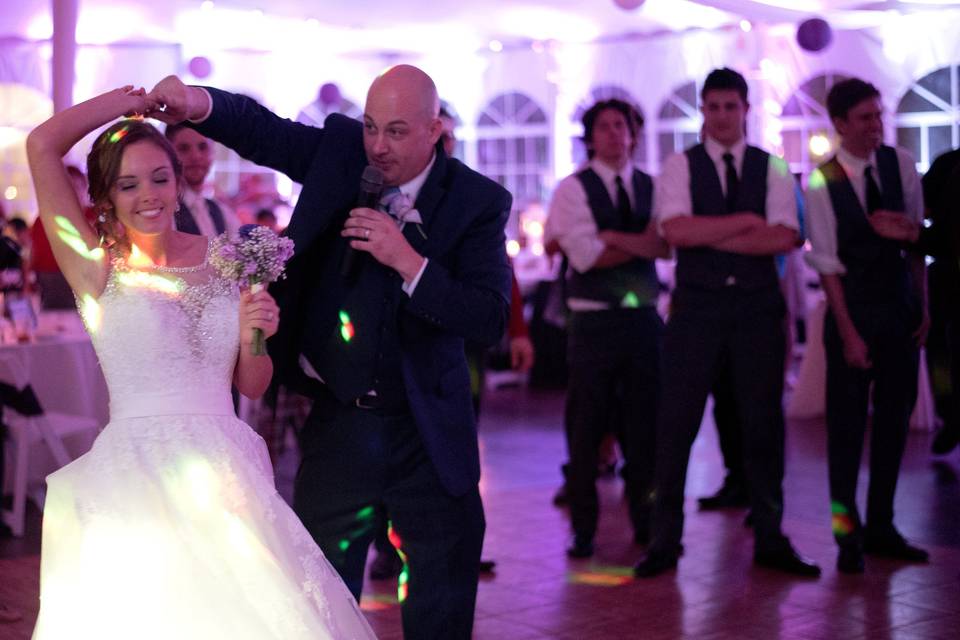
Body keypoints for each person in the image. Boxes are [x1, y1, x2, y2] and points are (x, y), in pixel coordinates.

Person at [147, 64, 511, 639]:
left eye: (395, 132)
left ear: (433, 130)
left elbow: (489, 316)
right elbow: (262, 130)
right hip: (339, 419)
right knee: (317, 598)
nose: (377, 146)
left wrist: (409, 262)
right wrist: (195, 101)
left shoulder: (477, 201)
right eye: (370, 126)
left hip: (427, 430)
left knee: (440, 599)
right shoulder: (344, 152)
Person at [25, 86, 375, 639]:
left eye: (160, 178)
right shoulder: (95, 269)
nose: (149, 196)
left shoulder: (227, 258)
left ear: (180, 180)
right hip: (133, 480)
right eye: (129, 183)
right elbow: (42, 144)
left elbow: (253, 384)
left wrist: (258, 333)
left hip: (225, 474)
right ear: (107, 195)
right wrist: (127, 104)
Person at [634, 68, 819, 579]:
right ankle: (664, 542)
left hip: (758, 312)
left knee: (763, 426)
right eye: (712, 107)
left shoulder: (774, 168)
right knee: (675, 427)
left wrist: (708, 233)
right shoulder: (680, 165)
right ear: (704, 112)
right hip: (696, 311)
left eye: (730, 107)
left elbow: (784, 238)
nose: (721, 116)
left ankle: (771, 538)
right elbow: (675, 231)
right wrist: (744, 222)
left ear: (745, 109)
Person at [804, 77, 929, 574]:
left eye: (879, 116)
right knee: (846, 429)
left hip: (898, 310)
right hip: (851, 311)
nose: (876, 126)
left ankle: (882, 525)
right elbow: (828, 266)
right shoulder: (822, 180)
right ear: (839, 125)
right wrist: (850, 333)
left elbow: (916, 241)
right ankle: (846, 532)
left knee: (894, 424)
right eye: (865, 118)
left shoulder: (900, 165)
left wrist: (924, 305)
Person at [545, 98, 667, 558]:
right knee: (585, 428)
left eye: (622, 126)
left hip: (643, 322)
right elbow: (585, 256)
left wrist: (614, 237)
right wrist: (639, 245)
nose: (615, 134)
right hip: (592, 322)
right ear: (591, 136)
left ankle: (646, 520)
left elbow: (666, 247)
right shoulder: (573, 189)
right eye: (605, 127)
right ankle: (583, 529)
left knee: (645, 427)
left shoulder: (652, 186)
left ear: (633, 133)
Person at [164, 123, 240, 238]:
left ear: (213, 152)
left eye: (203, 147)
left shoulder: (222, 212)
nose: (196, 156)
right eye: (184, 149)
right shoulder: (165, 213)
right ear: (168, 154)